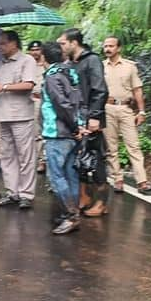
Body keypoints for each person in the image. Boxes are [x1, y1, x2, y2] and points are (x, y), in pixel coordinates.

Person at [57, 28, 109, 217]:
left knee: (95, 161)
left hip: (91, 118)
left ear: (74, 43)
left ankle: (102, 202)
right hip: (77, 119)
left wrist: (95, 116)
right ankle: (85, 196)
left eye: (63, 43)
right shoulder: (71, 63)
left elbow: (100, 90)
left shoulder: (92, 60)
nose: (61, 47)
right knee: (79, 160)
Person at [0, 30, 39, 209]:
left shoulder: (27, 60)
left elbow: (28, 85)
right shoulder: (1, 64)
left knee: (25, 156)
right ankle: (12, 192)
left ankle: (26, 194)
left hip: (21, 116)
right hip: (3, 115)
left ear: (13, 44)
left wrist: (4, 86)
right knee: (6, 156)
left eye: (2, 43)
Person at [40, 42, 83, 235]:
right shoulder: (70, 72)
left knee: (57, 176)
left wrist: (74, 126)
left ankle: (71, 215)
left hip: (58, 132)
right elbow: (79, 101)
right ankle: (72, 213)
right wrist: (80, 125)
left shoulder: (52, 76)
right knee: (70, 174)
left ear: (43, 57)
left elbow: (62, 105)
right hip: (73, 132)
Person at [101, 36, 151, 194]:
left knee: (134, 145)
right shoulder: (100, 67)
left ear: (119, 48)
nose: (107, 49)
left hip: (126, 109)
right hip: (107, 108)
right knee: (111, 147)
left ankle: (142, 181)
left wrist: (141, 111)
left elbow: (137, 89)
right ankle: (118, 179)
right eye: (105, 46)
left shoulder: (130, 66)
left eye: (111, 46)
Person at [28, 40, 48, 174]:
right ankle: (41, 160)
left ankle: (46, 159)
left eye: (38, 49)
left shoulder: (47, 64)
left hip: (47, 101)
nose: (35, 52)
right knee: (36, 132)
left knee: (48, 131)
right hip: (33, 100)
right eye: (33, 50)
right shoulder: (28, 65)